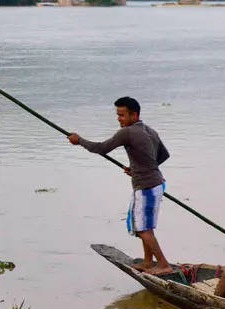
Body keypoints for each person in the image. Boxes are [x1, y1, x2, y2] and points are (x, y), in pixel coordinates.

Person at [68, 96, 173, 274]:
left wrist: (79, 141)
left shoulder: (128, 132)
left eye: (122, 115)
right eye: (118, 115)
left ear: (134, 115)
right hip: (155, 184)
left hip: (146, 187)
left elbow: (101, 148)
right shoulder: (150, 130)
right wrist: (138, 167)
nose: (119, 119)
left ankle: (163, 265)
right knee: (145, 227)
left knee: (142, 229)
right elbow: (163, 155)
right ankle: (148, 262)